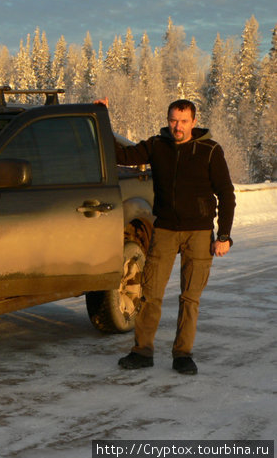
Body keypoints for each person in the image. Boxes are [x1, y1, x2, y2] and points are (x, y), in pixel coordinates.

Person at [95, 97, 236, 375]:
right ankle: (142, 351)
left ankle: (183, 354)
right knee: (150, 294)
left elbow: (226, 194)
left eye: (183, 121)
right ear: (168, 119)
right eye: (173, 120)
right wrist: (102, 118)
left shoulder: (210, 151)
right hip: (165, 230)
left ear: (194, 122)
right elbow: (123, 156)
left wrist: (225, 235)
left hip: (199, 232)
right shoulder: (157, 146)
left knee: (190, 298)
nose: (177, 126)